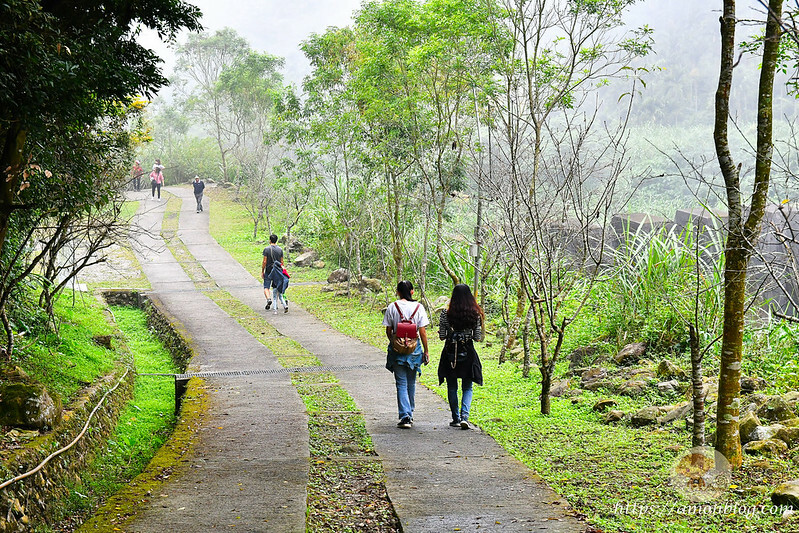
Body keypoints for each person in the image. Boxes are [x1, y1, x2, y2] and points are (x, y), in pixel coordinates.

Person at [383, 280, 429, 429]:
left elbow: (388, 330)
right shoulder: (419, 307)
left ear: (397, 292)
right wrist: (426, 350)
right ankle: (410, 412)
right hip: (414, 350)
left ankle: (405, 415)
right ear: (412, 292)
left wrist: (395, 343)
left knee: (401, 383)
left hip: (397, 350)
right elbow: (422, 332)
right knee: (411, 382)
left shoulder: (392, 307)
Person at [437, 284, 484, 430]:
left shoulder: (445, 314)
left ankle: (455, 418)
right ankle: (465, 417)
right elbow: (477, 337)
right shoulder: (475, 314)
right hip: (467, 352)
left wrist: (444, 332)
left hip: (450, 353)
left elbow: (443, 336)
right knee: (467, 387)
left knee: (452, 386)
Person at [261, 234, 287, 312]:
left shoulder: (266, 249)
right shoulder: (280, 250)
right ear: (276, 240)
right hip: (277, 271)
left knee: (266, 287)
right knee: (277, 287)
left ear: (270, 240)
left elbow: (264, 261)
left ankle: (269, 299)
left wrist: (262, 271)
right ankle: (282, 301)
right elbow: (282, 262)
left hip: (269, 270)